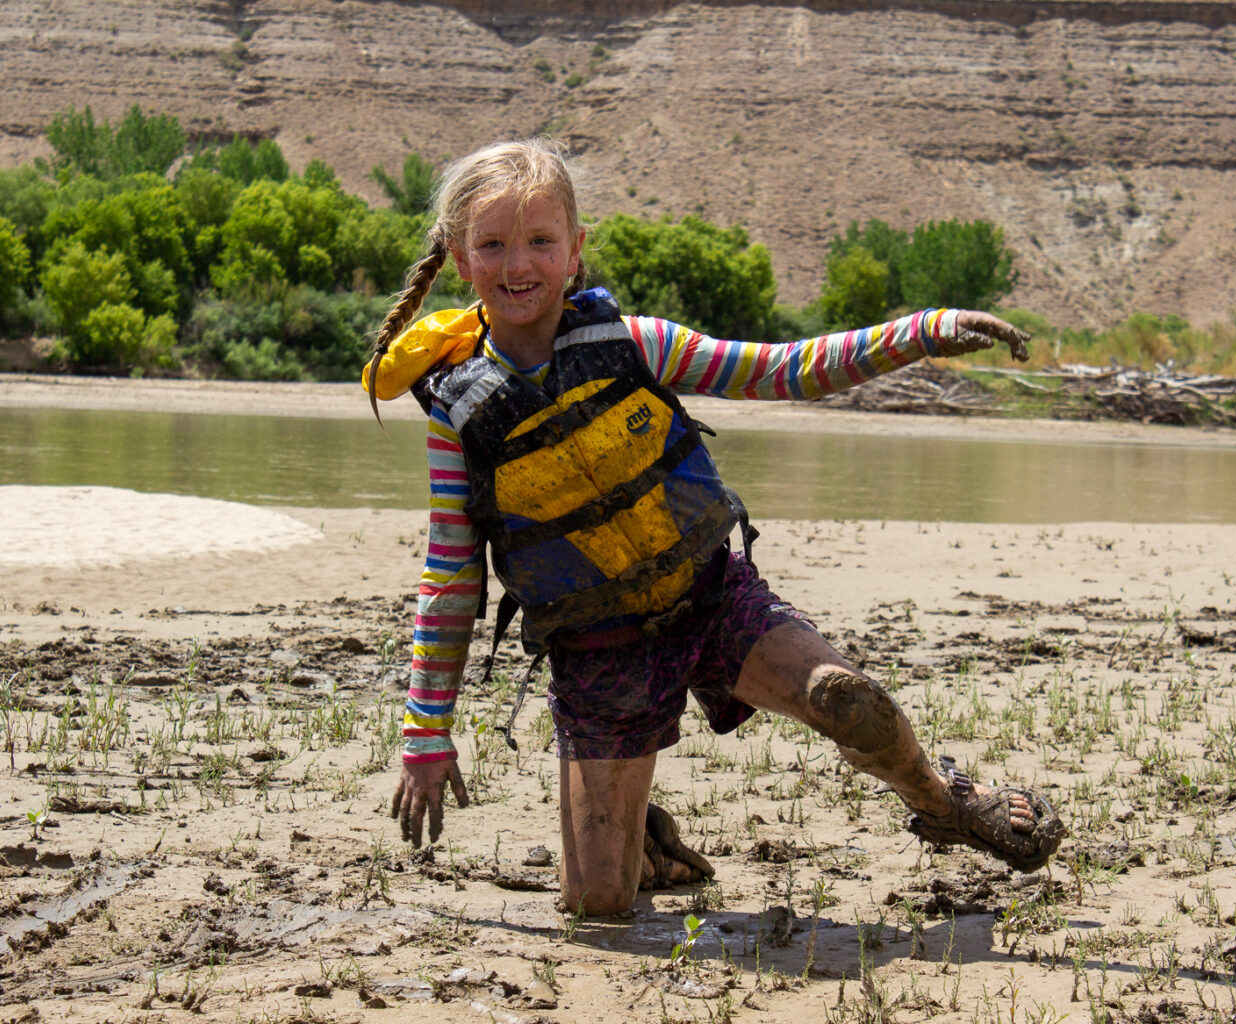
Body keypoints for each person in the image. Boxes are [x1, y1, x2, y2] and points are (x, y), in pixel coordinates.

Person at [366, 138, 1064, 917]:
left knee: (845, 700)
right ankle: (646, 846)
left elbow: (780, 369)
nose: (516, 264)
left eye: (539, 242)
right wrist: (427, 732)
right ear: (463, 260)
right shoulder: (458, 414)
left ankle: (946, 803)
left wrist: (919, 333)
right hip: (597, 650)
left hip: (708, 601)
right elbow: (451, 579)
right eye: (492, 245)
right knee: (599, 906)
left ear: (574, 253)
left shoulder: (638, 346)